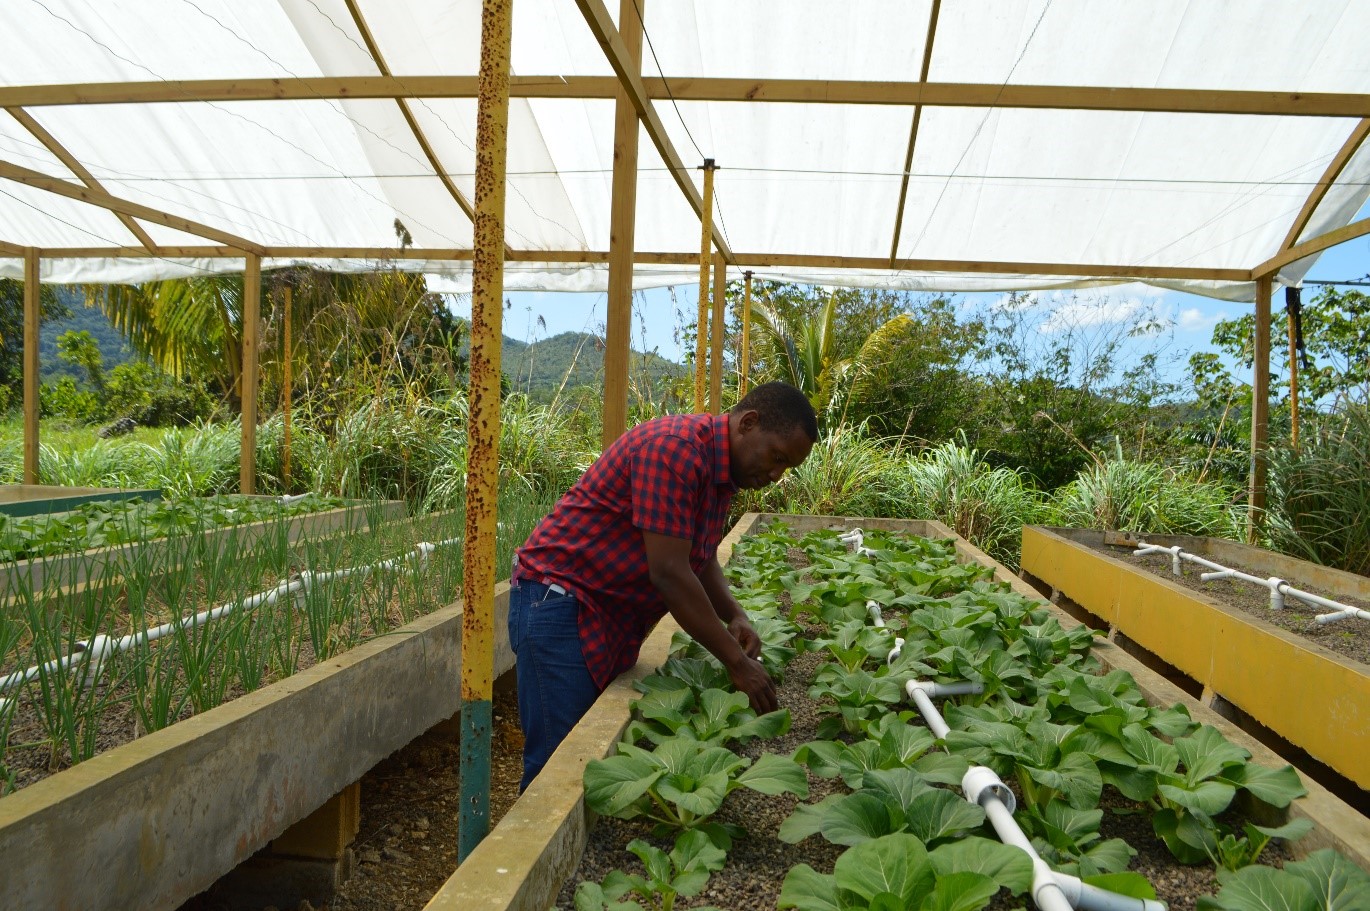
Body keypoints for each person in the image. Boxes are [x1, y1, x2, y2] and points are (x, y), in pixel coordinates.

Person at [508, 381, 818, 790]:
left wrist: (735, 614)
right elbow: (670, 572)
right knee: (557, 773)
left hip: (603, 611)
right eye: (777, 457)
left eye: (787, 467)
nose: (776, 475)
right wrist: (737, 664)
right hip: (560, 602)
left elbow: (699, 556)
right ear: (748, 423)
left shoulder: (722, 472)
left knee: (588, 762)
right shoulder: (675, 450)